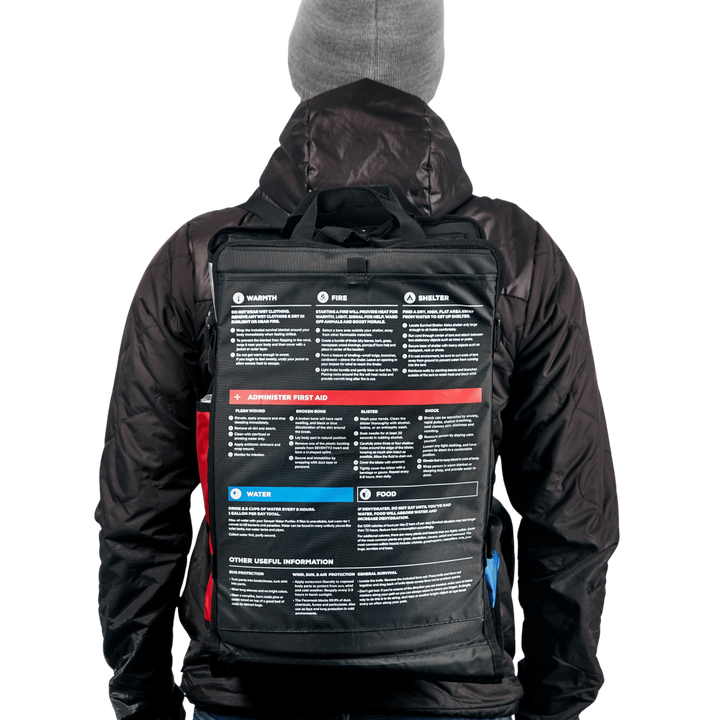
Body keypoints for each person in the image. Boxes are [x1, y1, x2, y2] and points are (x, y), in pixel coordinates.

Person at [93, 1, 621, 719]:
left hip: (245, 693)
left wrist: (139, 696)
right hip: (456, 693)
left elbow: (138, 509)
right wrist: (559, 700)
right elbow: (572, 510)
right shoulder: (519, 253)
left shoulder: (195, 256)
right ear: (432, 72)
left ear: (299, 66)